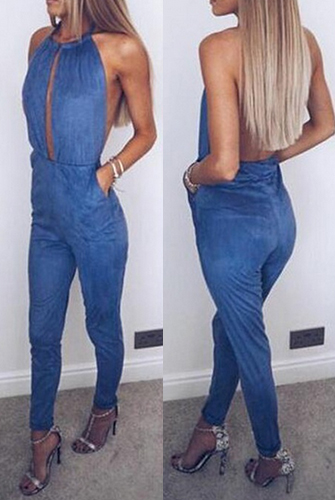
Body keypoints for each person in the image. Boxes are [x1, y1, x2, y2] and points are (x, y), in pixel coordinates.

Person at [170, 0, 335, 493]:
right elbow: (324, 125)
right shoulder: (303, 43)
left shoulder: (218, 48)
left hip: (232, 228)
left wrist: (190, 176)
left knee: (249, 345)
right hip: (278, 219)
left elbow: (222, 166)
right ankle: (210, 425)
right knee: (229, 327)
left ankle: (271, 454)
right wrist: (268, 155)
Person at [20, 0, 156, 495]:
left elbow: (146, 133)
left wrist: (105, 174)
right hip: (45, 217)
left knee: (101, 323)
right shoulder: (39, 43)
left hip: (95, 219)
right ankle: (41, 434)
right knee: (41, 334)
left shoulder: (122, 50)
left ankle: (105, 406)